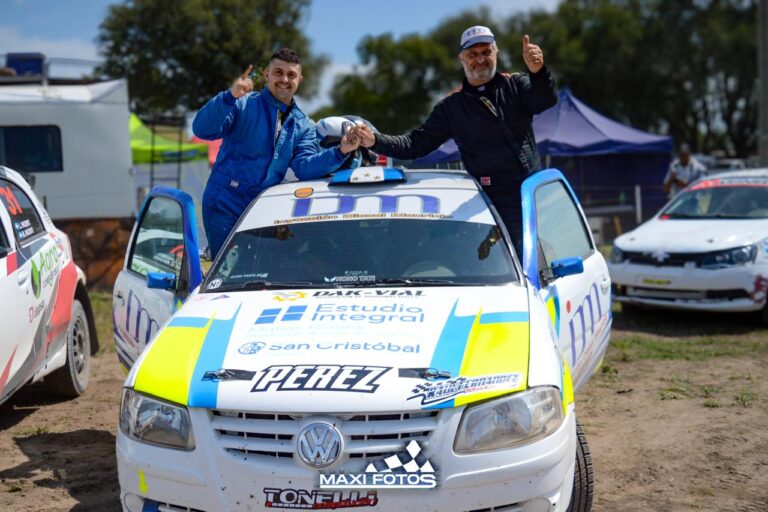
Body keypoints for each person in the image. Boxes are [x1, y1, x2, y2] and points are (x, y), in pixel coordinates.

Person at [353, 26, 557, 254]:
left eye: (486, 52)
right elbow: (415, 144)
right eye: (473, 54)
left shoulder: (516, 85)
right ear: (461, 59)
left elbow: (544, 101)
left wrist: (538, 72)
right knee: (490, 262)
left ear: (496, 53)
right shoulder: (451, 108)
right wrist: (375, 141)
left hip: (531, 193)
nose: (480, 59)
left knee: (542, 260)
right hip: (487, 201)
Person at [193, 48, 359, 258]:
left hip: (263, 205)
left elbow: (305, 168)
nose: (284, 79)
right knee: (228, 270)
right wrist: (229, 96)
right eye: (278, 73)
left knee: (260, 272)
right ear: (266, 75)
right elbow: (202, 130)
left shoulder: (304, 125)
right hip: (225, 201)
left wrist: (341, 150)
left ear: (299, 79)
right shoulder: (242, 104)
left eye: (291, 75)